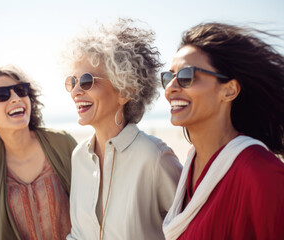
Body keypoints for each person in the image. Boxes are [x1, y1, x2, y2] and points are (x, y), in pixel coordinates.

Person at [161, 22, 284, 240]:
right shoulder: (192, 158)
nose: (170, 87)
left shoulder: (260, 172)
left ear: (229, 91)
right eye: (168, 77)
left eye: (186, 76)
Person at [62, 18, 182, 240]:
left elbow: (189, 226)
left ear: (125, 91)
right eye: (73, 81)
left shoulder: (153, 156)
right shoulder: (79, 156)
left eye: (87, 81)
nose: (76, 91)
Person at [0, 65, 77, 240]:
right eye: (1, 94)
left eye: (21, 90)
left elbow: (95, 206)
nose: (16, 98)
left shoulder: (62, 143)